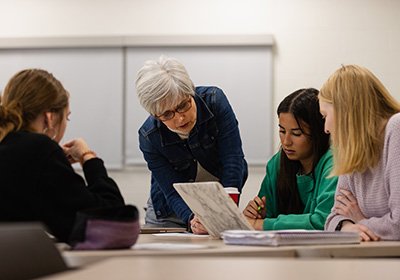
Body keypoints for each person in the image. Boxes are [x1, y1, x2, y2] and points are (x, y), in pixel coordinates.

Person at [0, 69, 125, 242]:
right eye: (67, 118)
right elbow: (115, 224)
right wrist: (88, 158)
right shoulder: (39, 149)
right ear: (49, 118)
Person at [135, 55, 248, 233]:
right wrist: (192, 220)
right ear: (155, 115)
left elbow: (233, 160)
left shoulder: (214, 101)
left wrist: (225, 214)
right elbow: (171, 190)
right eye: (167, 114)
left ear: (190, 92)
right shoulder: (149, 136)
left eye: (183, 105)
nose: (180, 118)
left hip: (216, 203)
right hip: (170, 212)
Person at [320, 65, 400, 241]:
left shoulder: (397, 128)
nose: (325, 129)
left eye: (325, 116)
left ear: (345, 110)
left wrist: (361, 221)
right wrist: (348, 227)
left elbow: (398, 224)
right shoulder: (354, 149)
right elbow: (333, 218)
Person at [243, 88, 337, 230]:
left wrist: (263, 224)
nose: (286, 141)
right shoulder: (277, 164)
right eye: (282, 131)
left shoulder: (334, 164)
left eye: (296, 133)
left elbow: (324, 221)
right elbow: (263, 216)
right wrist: (258, 215)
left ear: (318, 132)